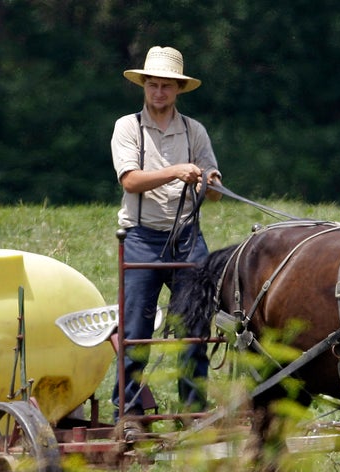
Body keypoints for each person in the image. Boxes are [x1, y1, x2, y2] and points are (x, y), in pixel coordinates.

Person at [111, 45, 222, 421]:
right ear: (144, 86)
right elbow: (130, 181)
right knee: (136, 333)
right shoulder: (127, 127)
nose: (159, 92)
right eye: (153, 85)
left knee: (194, 331)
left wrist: (211, 181)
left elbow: (214, 184)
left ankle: (193, 414)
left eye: (166, 86)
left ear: (178, 90)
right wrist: (178, 170)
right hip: (141, 238)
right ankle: (127, 415)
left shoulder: (195, 130)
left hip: (188, 239)